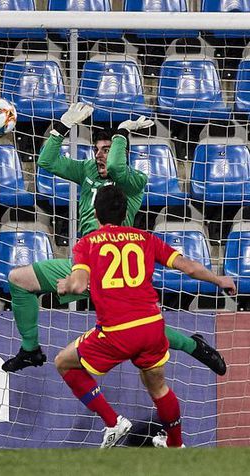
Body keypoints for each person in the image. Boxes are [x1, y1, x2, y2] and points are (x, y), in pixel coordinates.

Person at [3, 103, 226, 376]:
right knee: (18, 279)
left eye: (106, 150)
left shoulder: (133, 180)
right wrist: (62, 126)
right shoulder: (87, 171)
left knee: (138, 329)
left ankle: (193, 345)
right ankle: (30, 350)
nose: (99, 157)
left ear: (121, 153)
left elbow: (117, 167)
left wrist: (121, 131)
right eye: (97, 150)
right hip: (84, 263)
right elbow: (47, 162)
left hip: (115, 270)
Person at [55, 185, 236, 448]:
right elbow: (189, 267)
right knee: (158, 388)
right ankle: (176, 444)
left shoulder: (87, 243)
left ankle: (113, 421)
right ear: (125, 212)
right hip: (152, 327)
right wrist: (218, 279)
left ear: (95, 214)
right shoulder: (145, 238)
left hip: (116, 331)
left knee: (63, 362)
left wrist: (66, 285)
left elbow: (79, 285)